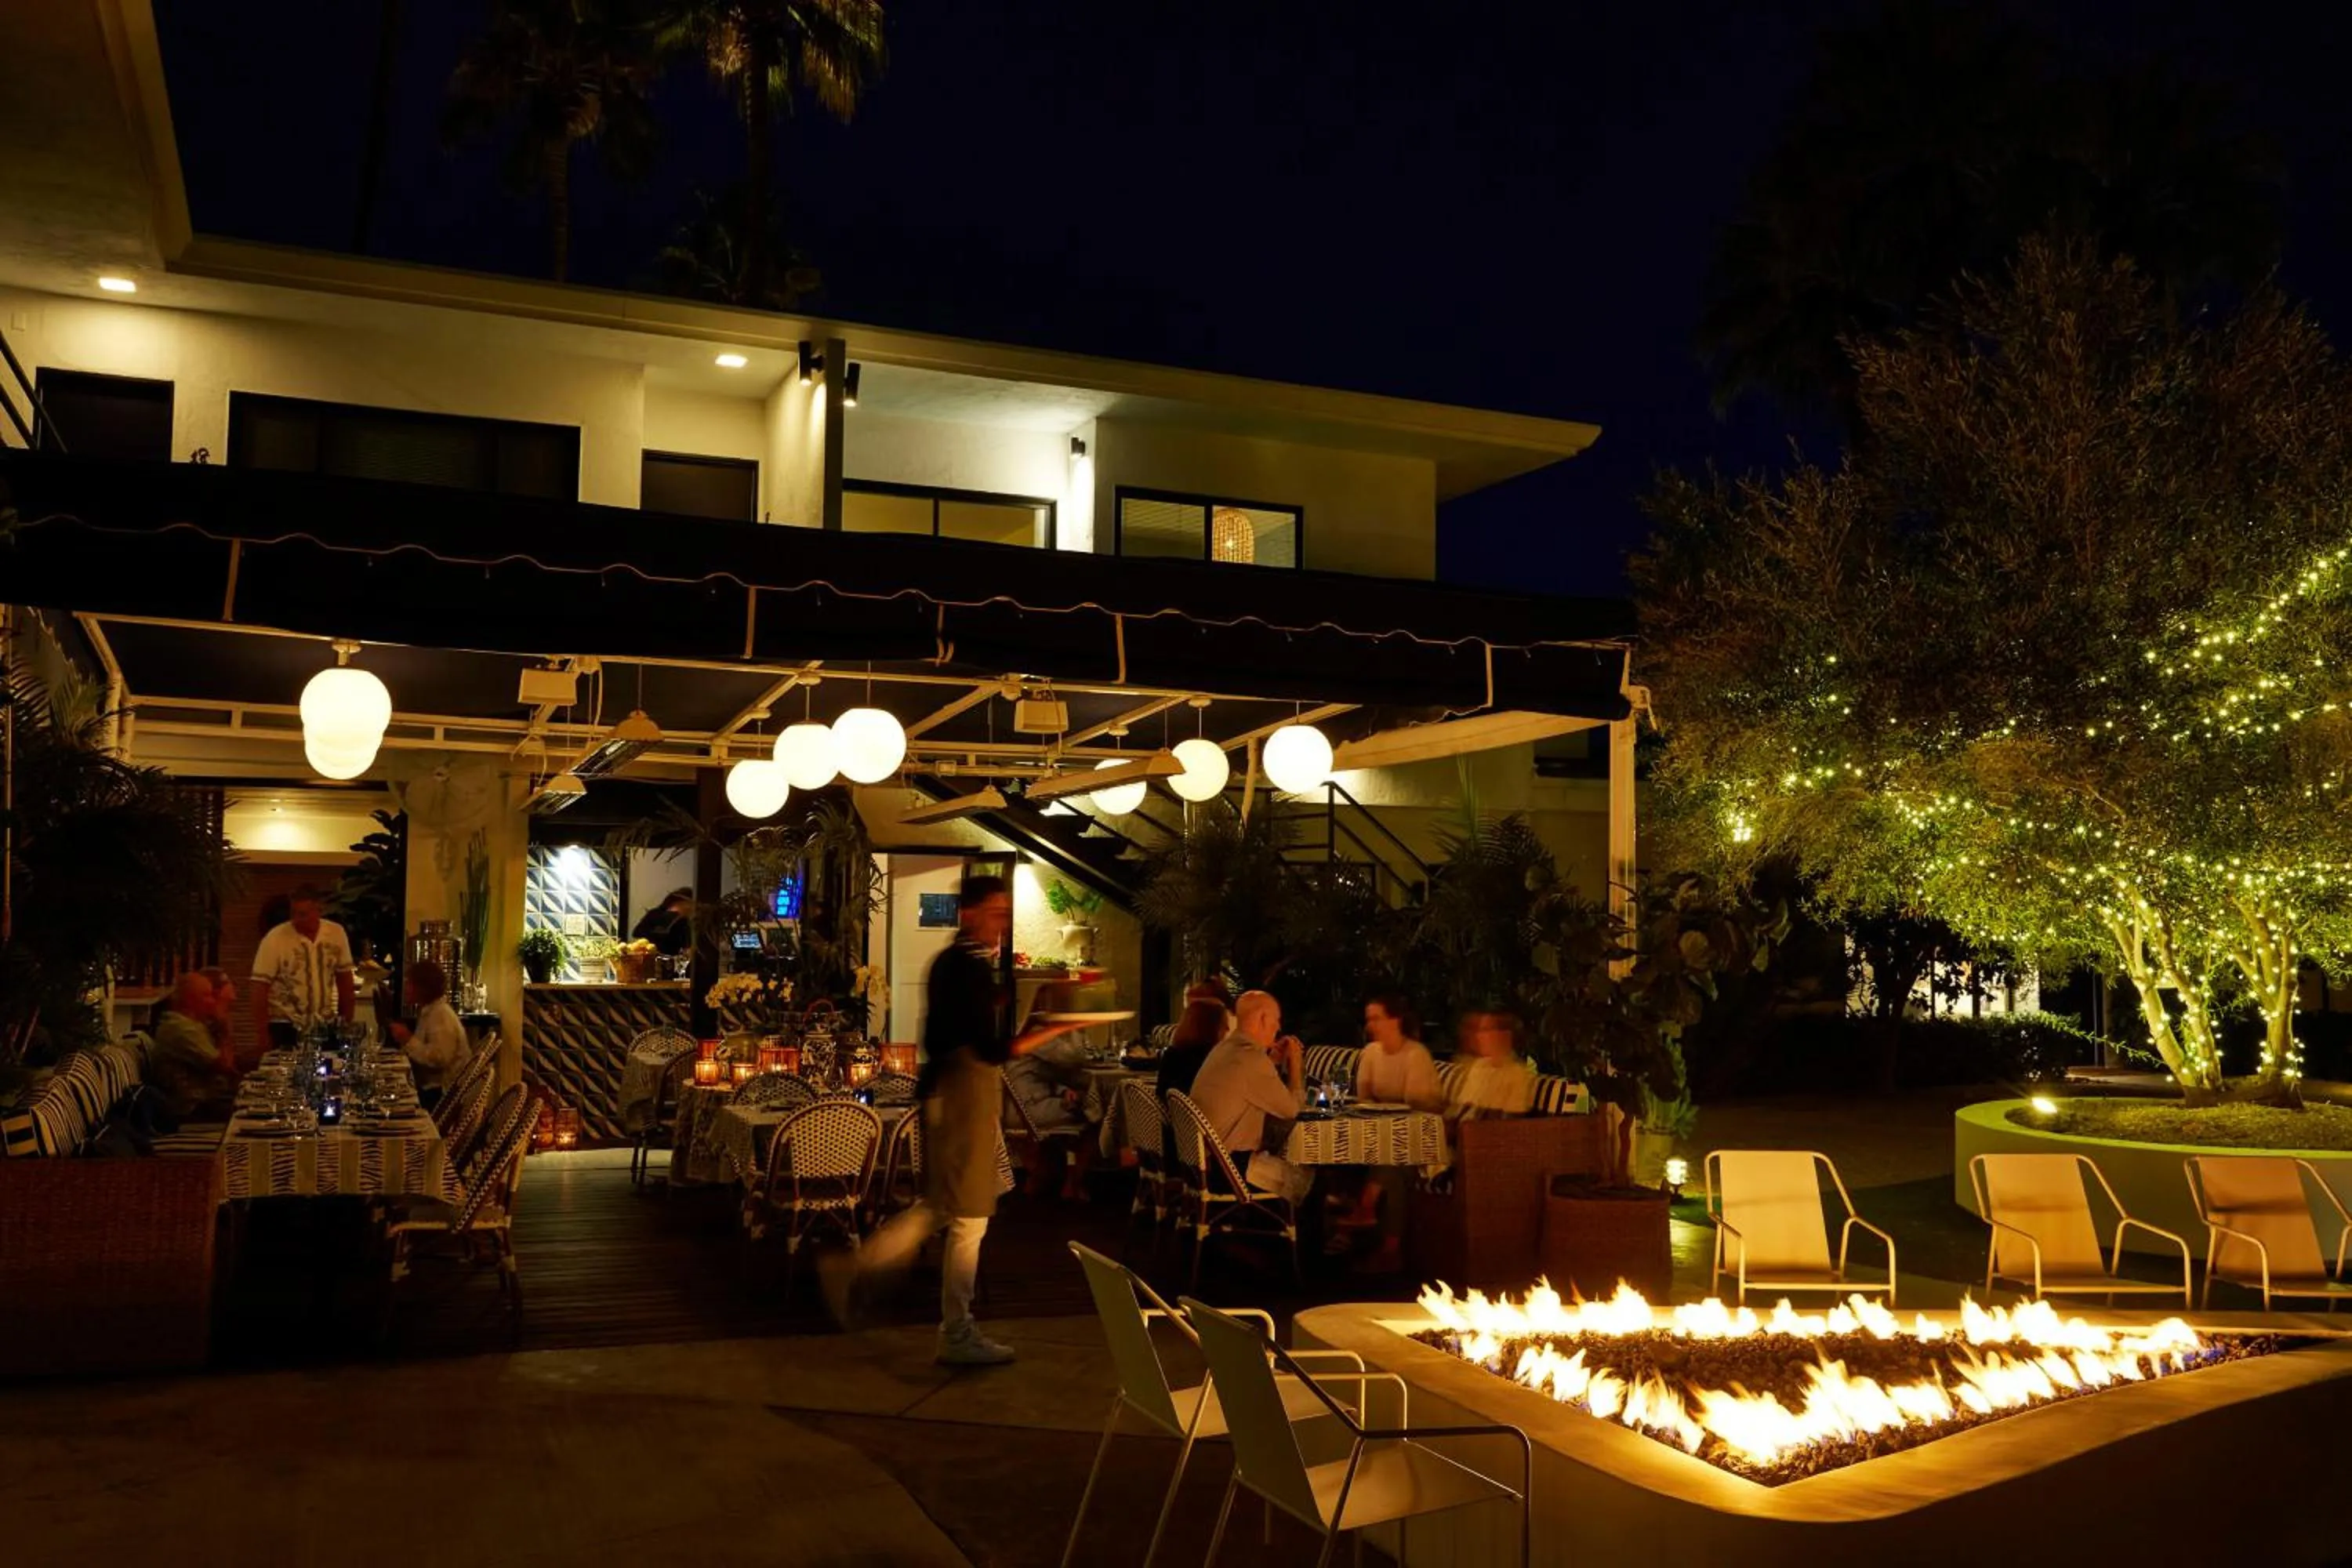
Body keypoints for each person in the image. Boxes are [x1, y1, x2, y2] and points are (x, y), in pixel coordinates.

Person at [823, 876, 1081, 1366]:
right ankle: (955, 1329)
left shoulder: (955, 966)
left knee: (947, 1208)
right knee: (968, 1216)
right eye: (997, 912)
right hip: (962, 1096)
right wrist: (1055, 1029)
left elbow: (961, 1028)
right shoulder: (966, 968)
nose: (1003, 923)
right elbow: (990, 1048)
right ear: (970, 913)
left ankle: (862, 1269)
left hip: (950, 1094)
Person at [1186, 989, 1309, 1202]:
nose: (1279, 1028)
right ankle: (1287, 1232)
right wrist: (1295, 1066)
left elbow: (1245, 1086)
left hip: (1198, 1165)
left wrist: (1273, 1062)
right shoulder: (1251, 1059)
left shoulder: (1225, 1049)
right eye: (1276, 1020)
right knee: (1310, 1178)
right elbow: (1293, 1111)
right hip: (1229, 1169)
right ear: (1262, 1019)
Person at [249, 886, 356, 1051]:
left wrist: (345, 1023)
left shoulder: (336, 933)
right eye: (294, 913)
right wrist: (262, 1033)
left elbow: (345, 981)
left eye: (303, 914)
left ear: (318, 911)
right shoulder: (275, 938)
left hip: (324, 1024)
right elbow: (259, 986)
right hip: (285, 1025)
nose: (297, 919)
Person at [147, 971, 238, 1122]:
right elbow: (225, 1067)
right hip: (189, 1109)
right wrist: (223, 1025)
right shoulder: (180, 1027)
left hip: (204, 1102)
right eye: (207, 996)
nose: (212, 1002)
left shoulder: (193, 1024)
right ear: (190, 1000)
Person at [394, 958, 468, 1107]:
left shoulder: (440, 1014)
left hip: (443, 1097)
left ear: (424, 987)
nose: (406, 988)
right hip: (432, 1091)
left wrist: (407, 1039)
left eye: (410, 983)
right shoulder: (429, 1011)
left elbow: (439, 1059)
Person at [1353, 993, 1443, 1112]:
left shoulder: (1416, 1054)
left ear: (1395, 1021)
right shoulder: (1370, 1052)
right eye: (1368, 1020)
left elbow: (1417, 1104)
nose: (1369, 1026)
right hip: (1383, 1121)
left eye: (1376, 1019)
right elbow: (1364, 1098)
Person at [1449, 1011, 1537, 1119]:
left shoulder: (1517, 1074)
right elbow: (1463, 1108)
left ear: (1504, 1035)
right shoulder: (1479, 1066)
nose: (1478, 1036)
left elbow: (1512, 1120)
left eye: (1485, 1030)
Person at [630, 887, 695, 956]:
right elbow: (637, 933)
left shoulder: (686, 922)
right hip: (650, 958)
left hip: (673, 961)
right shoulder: (656, 914)